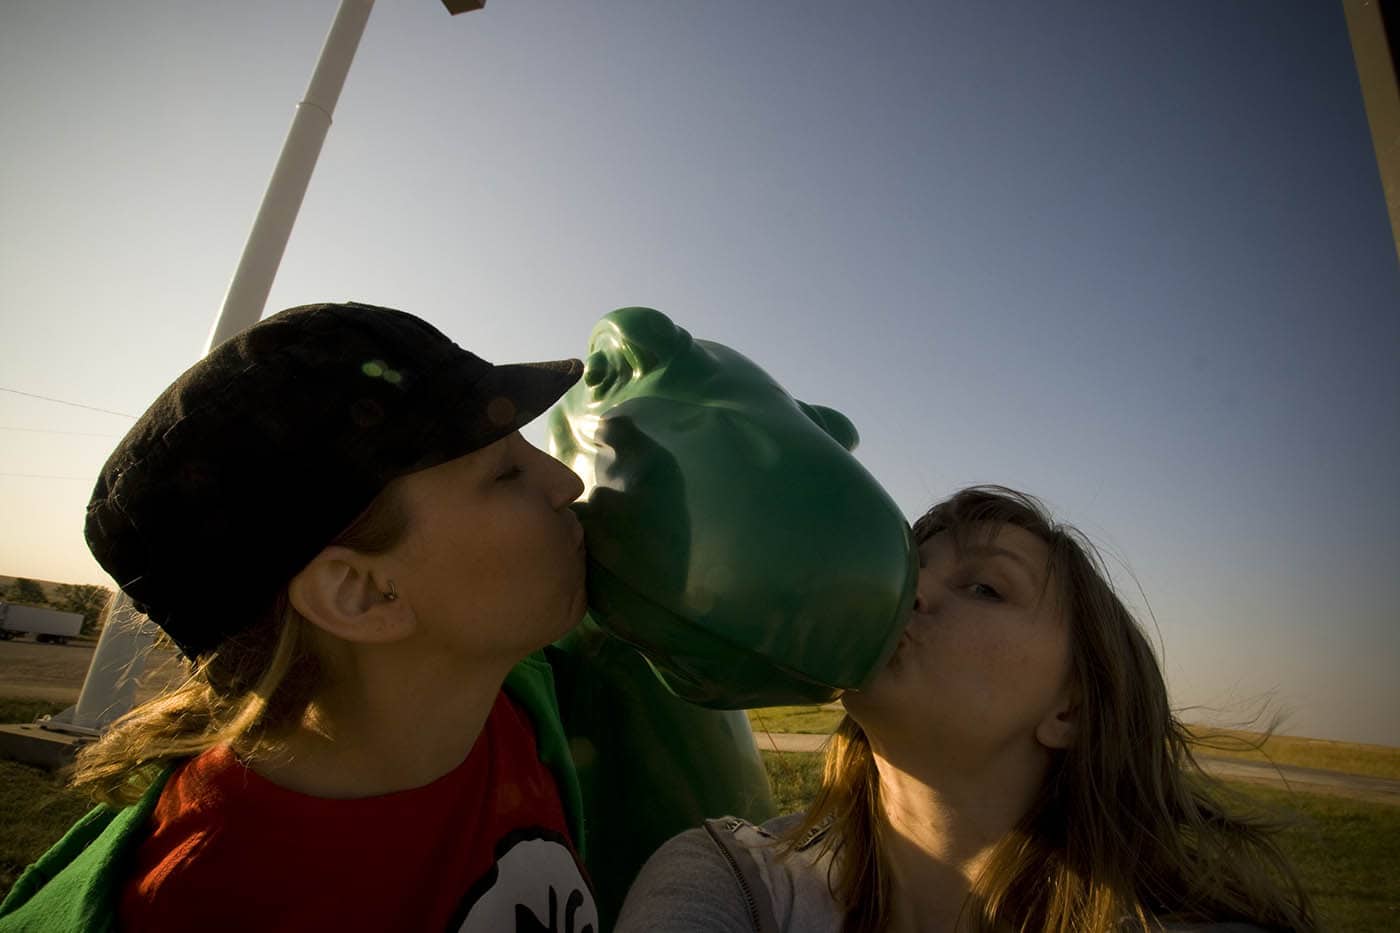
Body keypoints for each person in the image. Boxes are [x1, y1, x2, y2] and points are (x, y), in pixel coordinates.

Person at [0, 301, 600, 932]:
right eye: (505, 473)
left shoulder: (521, 708)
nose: (566, 483)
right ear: (360, 594)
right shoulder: (205, 904)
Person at [617, 486, 1318, 933]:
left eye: (984, 586)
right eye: (909, 565)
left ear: (1069, 710)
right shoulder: (730, 883)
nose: (909, 591)